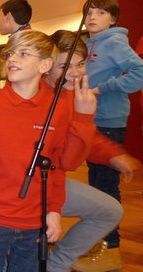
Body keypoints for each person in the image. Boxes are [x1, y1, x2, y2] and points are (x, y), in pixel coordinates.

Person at [0, 30, 97, 271]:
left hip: (34, 222)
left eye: (23, 53)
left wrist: (53, 210)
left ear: (45, 65)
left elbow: (59, 166)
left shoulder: (57, 110)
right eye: (10, 53)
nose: (12, 59)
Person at [45, 30, 140, 272]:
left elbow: (84, 137)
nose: (74, 73)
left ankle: (55, 264)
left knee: (109, 210)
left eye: (80, 64)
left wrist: (112, 154)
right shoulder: (41, 98)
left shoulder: (67, 94)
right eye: (64, 66)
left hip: (53, 180)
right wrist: (85, 117)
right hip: (33, 186)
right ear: (45, 65)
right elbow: (69, 160)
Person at [83, 0, 143, 249]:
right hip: (92, 120)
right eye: (89, 13)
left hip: (109, 121)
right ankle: (98, 243)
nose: (93, 17)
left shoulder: (115, 42)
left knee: (105, 187)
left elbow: (140, 73)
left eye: (100, 13)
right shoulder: (89, 44)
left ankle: (111, 244)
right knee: (95, 185)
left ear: (113, 19)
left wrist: (101, 89)